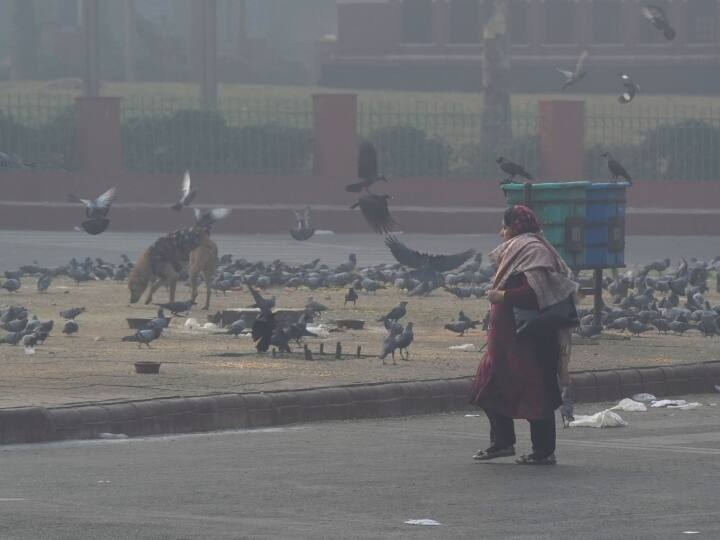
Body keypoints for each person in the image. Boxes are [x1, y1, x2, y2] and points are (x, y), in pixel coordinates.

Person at [469, 205, 577, 465]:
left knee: (535, 392)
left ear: (515, 227)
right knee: (489, 388)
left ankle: (543, 451)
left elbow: (535, 293)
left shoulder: (532, 250)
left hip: (527, 340)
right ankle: (502, 443)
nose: (501, 232)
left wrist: (502, 295)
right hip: (504, 342)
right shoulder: (522, 249)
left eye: (504, 227)